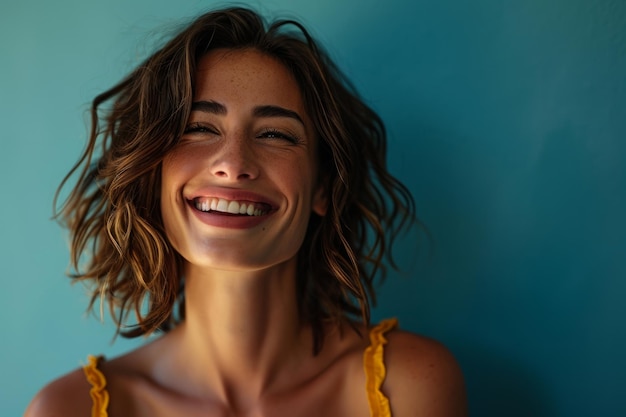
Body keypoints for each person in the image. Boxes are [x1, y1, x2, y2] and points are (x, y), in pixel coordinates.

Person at [25, 7, 466, 417]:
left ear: (323, 187)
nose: (234, 164)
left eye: (275, 134)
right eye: (198, 128)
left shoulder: (408, 386)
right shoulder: (67, 409)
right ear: (150, 175)